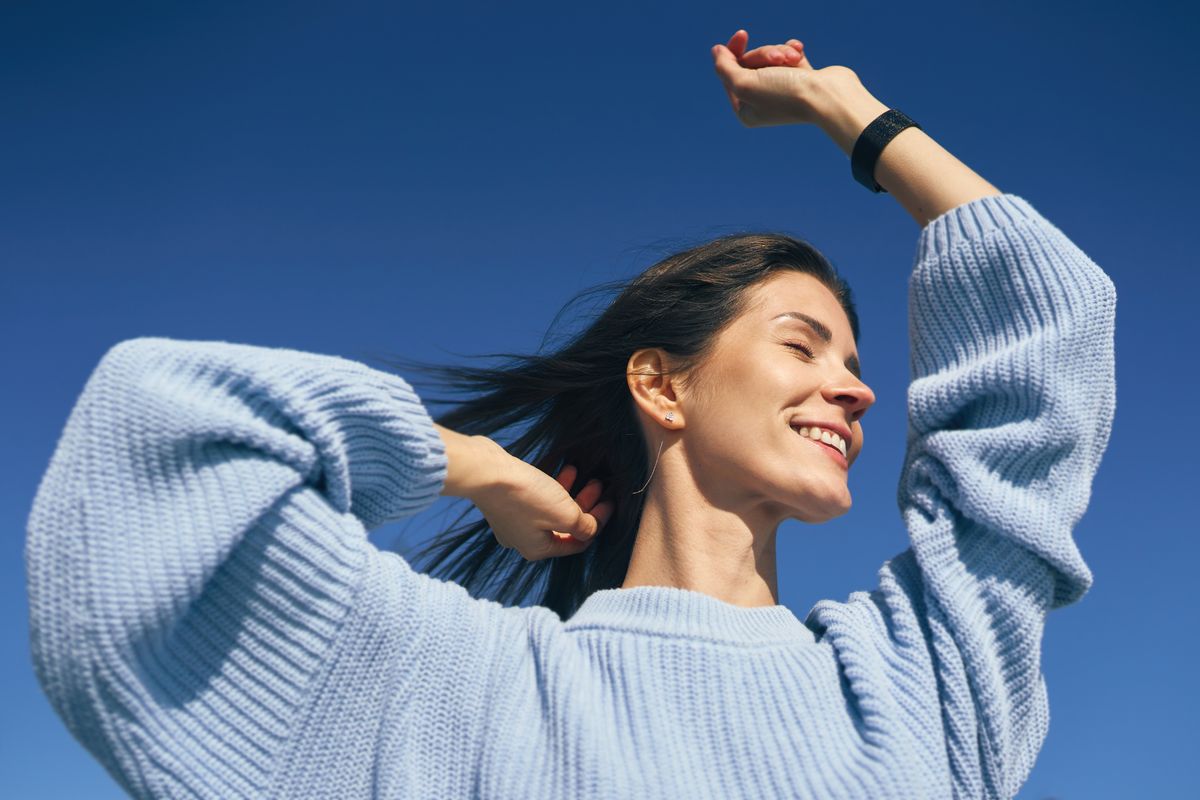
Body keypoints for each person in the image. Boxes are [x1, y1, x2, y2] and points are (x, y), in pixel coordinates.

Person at [25, 28, 1116, 800]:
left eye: (855, 358)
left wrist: (846, 109)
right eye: (801, 343)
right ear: (661, 384)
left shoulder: (916, 677)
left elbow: (1055, 322)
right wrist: (467, 463)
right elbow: (150, 435)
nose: (857, 384)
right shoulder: (463, 682)